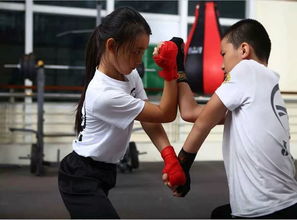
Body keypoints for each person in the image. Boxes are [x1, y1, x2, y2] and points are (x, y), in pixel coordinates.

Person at [58, 7, 186, 219]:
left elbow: (150, 119)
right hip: (80, 176)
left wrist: (169, 156)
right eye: (136, 51)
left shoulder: (129, 74)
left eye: (143, 51)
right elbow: (166, 113)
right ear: (111, 46)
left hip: (105, 172)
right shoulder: (103, 94)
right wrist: (170, 71)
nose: (139, 60)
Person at [165, 19, 297, 218]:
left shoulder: (247, 69)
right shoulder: (262, 91)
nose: (221, 65)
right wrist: (178, 69)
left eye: (223, 54)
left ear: (244, 50)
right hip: (282, 206)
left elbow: (203, 124)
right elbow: (191, 112)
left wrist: (182, 164)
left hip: (267, 210)